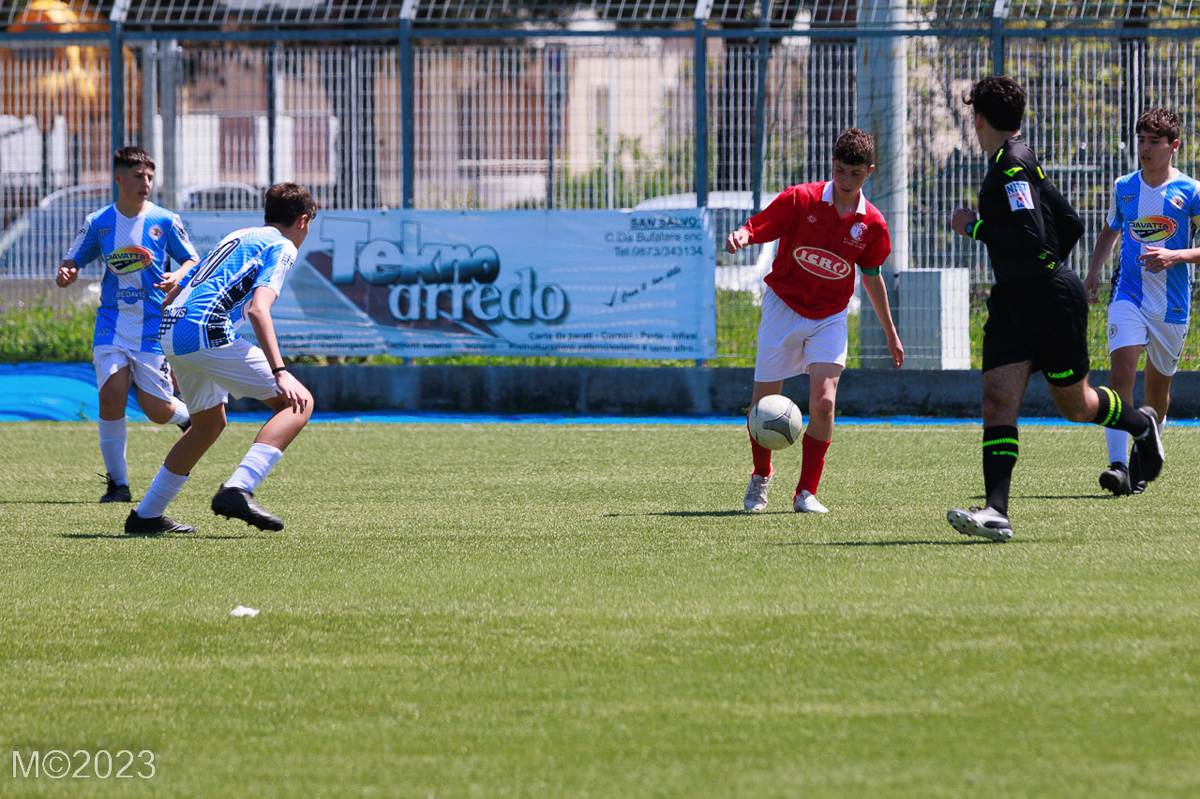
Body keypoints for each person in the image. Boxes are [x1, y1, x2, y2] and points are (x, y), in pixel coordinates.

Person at [946, 76, 1164, 542]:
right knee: (997, 398)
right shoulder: (1019, 159)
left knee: (1076, 404)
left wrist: (973, 228)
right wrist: (1044, 267)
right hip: (1016, 300)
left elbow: (1029, 234)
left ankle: (1141, 424)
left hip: (1047, 301)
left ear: (978, 119)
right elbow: (1070, 222)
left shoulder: (1011, 166)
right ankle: (996, 510)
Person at [727, 127, 904, 515]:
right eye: (840, 171)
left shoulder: (872, 225)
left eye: (855, 174)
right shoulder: (801, 198)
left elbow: (871, 277)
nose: (845, 181)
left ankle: (806, 492)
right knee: (761, 405)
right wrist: (743, 235)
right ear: (832, 164)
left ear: (869, 172)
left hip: (830, 316)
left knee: (823, 402)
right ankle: (761, 476)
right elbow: (761, 224)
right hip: (783, 307)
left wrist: (891, 333)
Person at [123, 183, 317, 536]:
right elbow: (259, 310)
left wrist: (182, 355)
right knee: (298, 403)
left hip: (172, 328)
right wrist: (281, 371)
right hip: (204, 331)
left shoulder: (240, 235)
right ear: (303, 220)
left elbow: (176, 294)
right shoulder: (283, 245)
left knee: (208, 424)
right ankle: (238, 489)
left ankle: (146, 515)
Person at [55, 146, 199, 503]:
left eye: (149, 176)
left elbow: (192, 260)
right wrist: (66, 272)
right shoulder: (99, 222)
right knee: (111, 395)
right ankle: (118, 485)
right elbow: (72, 261)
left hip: (151, 326)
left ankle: (192, 419)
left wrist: (178, 275)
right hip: (112, 323)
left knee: (157, 411)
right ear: (119, 178)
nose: (145, 182)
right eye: (138, 176)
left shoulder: (165, 220)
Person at [1083, 108, 1200, 496]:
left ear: (1174, 146)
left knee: (1156, 394)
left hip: (1171, 304)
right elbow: (1111, 230)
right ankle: (1118, 466)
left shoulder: (1190, 191)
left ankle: (1145, 458)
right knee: (1120, 376)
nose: (1145, 149)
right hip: (1128, 295)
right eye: (1141, 141)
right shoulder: (1124, 187)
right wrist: (1093, 271)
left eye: (1155, 142)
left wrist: (1175, 255)